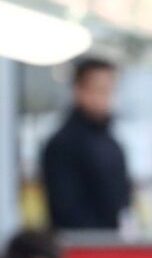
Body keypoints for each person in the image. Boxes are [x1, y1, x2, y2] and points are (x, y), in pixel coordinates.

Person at [41, 57, 131, 230]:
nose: (104, 98)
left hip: (113, 247)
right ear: (78, 91)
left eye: (109, 90)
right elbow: (65, 209)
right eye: (98, 90)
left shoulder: (112, 143)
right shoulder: (62, 145)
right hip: (82, 249)